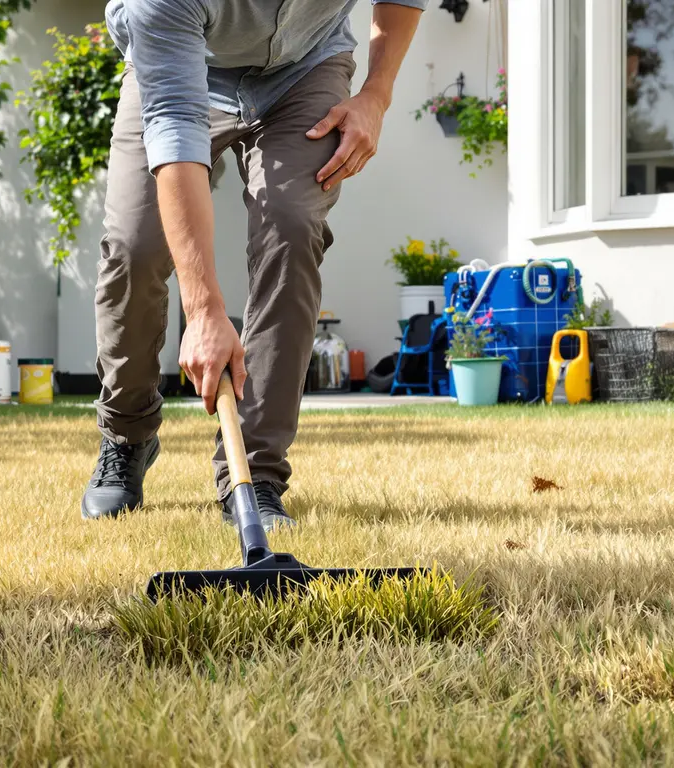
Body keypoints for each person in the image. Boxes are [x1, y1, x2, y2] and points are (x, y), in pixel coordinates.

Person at [81, 0, 426, 526]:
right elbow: (174, 128)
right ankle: (127, 436)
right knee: (136, 244)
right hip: (183, 65)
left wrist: (375, 95)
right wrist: (203, 311)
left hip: (306, 64)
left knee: (292, 228)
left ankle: (256, 474)